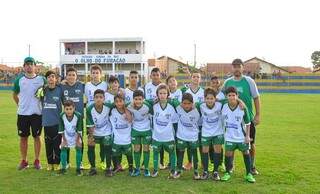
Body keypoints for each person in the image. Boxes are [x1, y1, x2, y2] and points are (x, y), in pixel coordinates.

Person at [222, 58, 261, 175]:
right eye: (234, 66)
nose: (237, 68)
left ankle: (252, 166)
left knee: (250, 143)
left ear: (242, 67)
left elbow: (256, 98)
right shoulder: (227, 82)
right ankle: (231, 165)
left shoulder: (249, 81)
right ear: (232, 68)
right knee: (231, 142)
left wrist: (258, 115)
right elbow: (222, 96)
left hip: (247, 118)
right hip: (232, 119)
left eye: (239, 66)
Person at [13, 57, 46, 170]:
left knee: (37, 136)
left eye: (31, 64)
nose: (29, 66)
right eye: (27, 64)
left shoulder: (42, 80)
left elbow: (51, 86)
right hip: (23, 114)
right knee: (23, 137)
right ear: (24, 67)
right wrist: (21, 105)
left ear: (35, 66)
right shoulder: (19, 80)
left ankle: (37, 160)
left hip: (37, 113)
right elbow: (14, 95)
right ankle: (24, 160)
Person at [220, 86, 255, 183]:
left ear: (237, 96)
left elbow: (248, 123)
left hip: (241, 136)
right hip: (229, 136)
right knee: (228, 153)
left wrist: (247, 136)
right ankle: (227, 172)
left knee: (246, 152)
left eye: (233, 95)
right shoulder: (223, 105)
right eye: (229, 95)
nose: (231, 97)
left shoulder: (242, 107)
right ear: (226, 96)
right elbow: (214, 100)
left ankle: (249, 174)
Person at [150, 84, 179, 178]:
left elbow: (175, 121)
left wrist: (175, 135)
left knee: (172, 153)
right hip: (157, 136)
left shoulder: (171, 106)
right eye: (160, 93)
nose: (162, 95)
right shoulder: (153, 106)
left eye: (164, 93)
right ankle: (155, 170)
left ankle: (173, 170)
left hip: (168, 136)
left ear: (168, 94)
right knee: (155, 153)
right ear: (157, 94)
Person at [36, 70, 62, 171]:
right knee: (48, 144)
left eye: (53, 77)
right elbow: (36, 97)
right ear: (46, 79)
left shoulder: (59, 89)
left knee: (57, 144)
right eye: (49, 77)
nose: (51, 78)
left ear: (56, 79)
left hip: (57, 122)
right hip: (46, 122)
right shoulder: (43, 90)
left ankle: (57, 163)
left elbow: (66, 103)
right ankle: (50, 163)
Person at [60, 67, 85, 169]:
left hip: (78, 119)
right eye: (69, 75)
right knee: (67, 139)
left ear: (76, 77)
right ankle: (66, 162)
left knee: (79, 140)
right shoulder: (62, 87)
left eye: (73, 75)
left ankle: (80, 162)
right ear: (66, 76)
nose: (71, 77)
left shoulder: (81, 85)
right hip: (67, 118)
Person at [197, 88, 224, 180]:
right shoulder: (200, 106)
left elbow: (231, 99)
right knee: (204, 151)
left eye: (211, 98)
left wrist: (240, 102)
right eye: (207, 98)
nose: (209, 100)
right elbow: (189, 104)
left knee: (217, 151)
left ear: (215, 99)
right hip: (206, 132)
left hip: (218, 132)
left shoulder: (220, 104)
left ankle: (215, 172)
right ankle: (205, 171)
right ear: (204, 99)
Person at [84, 65, 108, 170]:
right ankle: (91, 163)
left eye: (97, 73)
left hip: (102, 115)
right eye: (93, 73)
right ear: (90, 74)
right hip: (90, 115)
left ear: (100, 74)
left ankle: (103, 161)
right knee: (91, 139)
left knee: (103, 141)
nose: (95, 75)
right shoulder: (87, 85)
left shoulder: (105, 85)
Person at [86, 89, 114, 177]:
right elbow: (90, 124)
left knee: (108, 146)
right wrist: (91, 136)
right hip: (94, 132)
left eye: (101, 97)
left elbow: (119, 104)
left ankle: (108, 168)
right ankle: (93, 168)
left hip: (106, 132)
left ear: (104, 99)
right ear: (93, 99)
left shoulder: (109, 106)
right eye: (96, 97)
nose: (99, 99)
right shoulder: (89, 109)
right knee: (90, 144)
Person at [181, 71, 205, 170]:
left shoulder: (203, 91)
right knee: (190, 144)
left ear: (200, 79)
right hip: (189, 123)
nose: (196, 78)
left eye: (198, 77)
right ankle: (190, 162)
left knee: (201, 144)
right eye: (194, 76)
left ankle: (203, 163)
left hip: (200, 122)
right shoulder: (185, 91)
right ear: (191, 78)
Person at [174, 93, 201, 180]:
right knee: (180, 152)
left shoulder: (197, 109)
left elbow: (203, 103)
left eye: (189, 103)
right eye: (184, 103)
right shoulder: (178, 107)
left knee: (194, 153)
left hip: (193, 136)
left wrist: (196, 105)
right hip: (181, 135)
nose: (186, 105)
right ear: (181, 103)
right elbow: (171, 100)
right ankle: (178, 170)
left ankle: (196, 171)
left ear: (192, 103)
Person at [127, 90, 152, 177]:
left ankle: (146, 169)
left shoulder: (148, 105)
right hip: (135, 129)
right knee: (136, 149)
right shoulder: (129, 106)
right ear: (133, 99)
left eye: (140, 99)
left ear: (143, 99)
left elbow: (156, 103)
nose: (138, 101)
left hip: (146, 129)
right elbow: (121, 105)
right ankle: (137, 168)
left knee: (146, 149)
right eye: (136, 99)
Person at [110, 94, 134, 176]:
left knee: (129, 154)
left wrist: (125, 109)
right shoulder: (112, 111)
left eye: (120, 101)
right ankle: (116, 167)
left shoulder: (128, 110)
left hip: (127, 138)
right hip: (116, 138)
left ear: (124, 102)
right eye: (116, 101)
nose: (119, 103)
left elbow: (130, 120)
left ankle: (131, 167)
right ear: (114, 103)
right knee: (115, 154)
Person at [58, 100, 83, 176]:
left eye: (70, 109)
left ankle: (78, 169)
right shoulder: (61, 115)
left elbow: (79, 129)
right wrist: (64, 140)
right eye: (67, 109)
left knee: (78, 148)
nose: (69, 111)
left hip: (76, 135)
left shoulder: (78, 115)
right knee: (63, 148)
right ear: (64, 109)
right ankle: (63, 169)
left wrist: (77, 141)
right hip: (66, 135)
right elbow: (61, 129)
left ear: (74, 108)